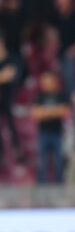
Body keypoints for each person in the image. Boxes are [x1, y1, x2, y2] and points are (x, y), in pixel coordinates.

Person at [32, 71, 70, 183]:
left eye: (47, 81)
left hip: (57, 133)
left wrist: (46, 112)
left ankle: (59, 184)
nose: (45, 84)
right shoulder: (40, 96)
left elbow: (65, 111)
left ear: (54, 82)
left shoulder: (61, 95)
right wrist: (54, 111)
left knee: (59, 162)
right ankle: (42, 185)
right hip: (43, 133)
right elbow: (36, 114)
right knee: (42, 162)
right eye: (43, 82)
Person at [53, 0, 75, 95]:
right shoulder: (56, 15)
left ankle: (72, 99)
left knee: (70, 77)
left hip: (71, 51)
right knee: (61, 78)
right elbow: (53, 32)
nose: (58, 2)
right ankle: (64, 98)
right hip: (60, 50)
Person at [0, 34, 23, 164]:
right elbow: (5, 76)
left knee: (11, 126)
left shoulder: (11, 58)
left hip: (9, 99)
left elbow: (11, 75)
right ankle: (1, 155)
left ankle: (17, 151)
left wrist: (3, 76)